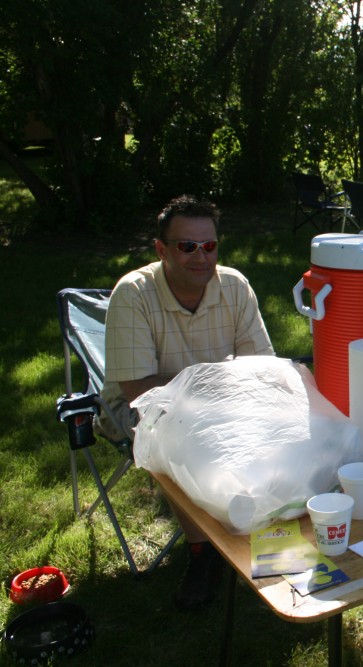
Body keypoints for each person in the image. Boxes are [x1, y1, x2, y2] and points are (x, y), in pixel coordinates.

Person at [100, 195, 274, 610]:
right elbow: (140, 390)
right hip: (138, 409)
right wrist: (220, 393)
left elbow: (262, 368)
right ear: (161, 249)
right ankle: (204, 553)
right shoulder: (134, 294)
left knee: (280, 417)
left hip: (216, 401)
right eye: (187, 246)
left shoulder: (234, 285)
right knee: (185, 436)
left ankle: (269, 525)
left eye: (209, 246)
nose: (201, 257)